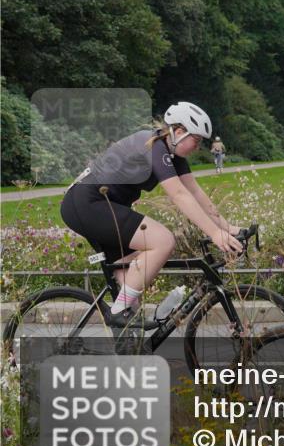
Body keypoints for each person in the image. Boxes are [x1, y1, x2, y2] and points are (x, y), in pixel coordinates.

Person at [60, 102, 243, 327]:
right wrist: (214, 233)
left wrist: (227, 228)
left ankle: (127, 348)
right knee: (163, 240)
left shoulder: (174, 156)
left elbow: (195, 193)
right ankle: (118, 312)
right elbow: (178, 194)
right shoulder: (155, 147)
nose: (198, 147)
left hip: (98, 205)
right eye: (196, 140)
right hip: (89, 202)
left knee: (129, 288)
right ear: (178, 132)